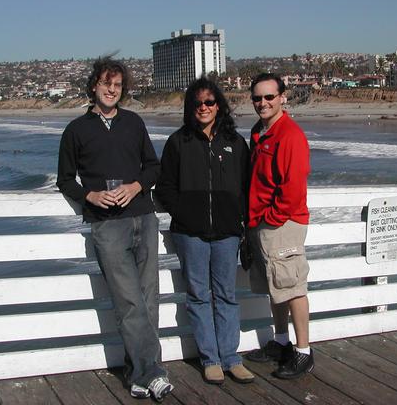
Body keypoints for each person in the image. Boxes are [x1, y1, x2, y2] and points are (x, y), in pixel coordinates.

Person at [56, 56, 173, 401]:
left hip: (143, 217)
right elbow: (65, 179)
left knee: (148, 298)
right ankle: (154, 373)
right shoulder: (76, 130)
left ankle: (136, 372)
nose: (111, 89)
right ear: (94, 85)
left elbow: (152, 167)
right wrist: (89, 194)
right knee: (128, 302)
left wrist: (136, 186)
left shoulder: (134, 123)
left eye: (118, 85)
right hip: (106, 225)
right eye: (106, 83)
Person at [155, 77, 254, 385]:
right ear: (190, 107)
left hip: (227, 233)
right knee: (198, 295)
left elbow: (247, 186)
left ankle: (231, 357)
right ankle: (210, 358)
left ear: (218, 105)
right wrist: (184, 212)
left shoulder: (235, 143)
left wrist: (239, 219)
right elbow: (165, 187)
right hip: (190, 234)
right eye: (197, 103)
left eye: (209, 102)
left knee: (226, 294)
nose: (203, 108)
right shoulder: (178, 142)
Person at [244, 72, 314, 379]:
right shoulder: (258, 133)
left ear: (282, 97)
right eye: (257, 98)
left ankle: (304, 351)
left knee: (292, 286)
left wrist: (270, 219)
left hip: (282, 224)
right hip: (261, 223)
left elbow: (293, 189)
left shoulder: (290, 135)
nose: (263, 103)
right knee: (276, 287)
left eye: (269, 97)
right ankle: (281, 342)